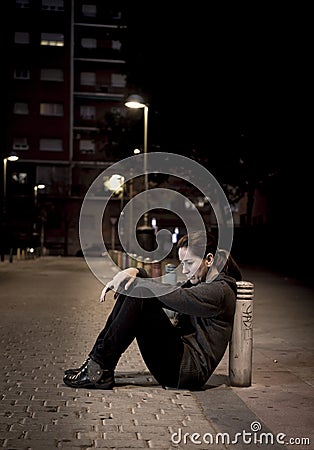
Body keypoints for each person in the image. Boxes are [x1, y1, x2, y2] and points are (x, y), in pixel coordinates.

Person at [63, 231, 242, 391]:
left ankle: (98, 367)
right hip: (178, 359)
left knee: (140, 291)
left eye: (189, 263)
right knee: (138, 290)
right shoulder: (204, 283)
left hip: (187, 372)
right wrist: (135, 272)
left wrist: (136, 280)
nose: (185, 270)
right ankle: (97, 364)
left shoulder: (219, 291)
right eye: (182, 264)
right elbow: (163, 292)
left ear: (209, 259)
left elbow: (176, 297)